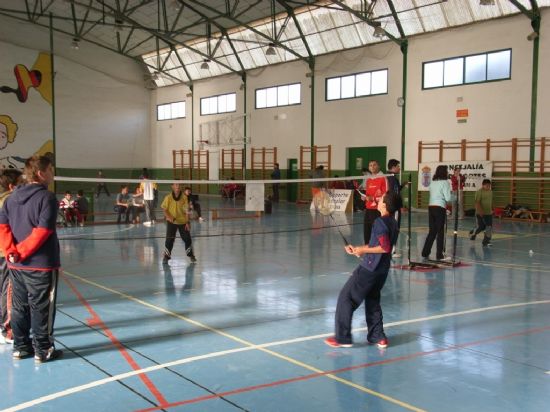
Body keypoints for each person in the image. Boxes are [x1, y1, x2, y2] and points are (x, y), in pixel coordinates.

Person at [0, 155, 62, 362]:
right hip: (41, 266)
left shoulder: (11, 197)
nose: (53, 174)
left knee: (19, 306)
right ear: (40, 173)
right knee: (41, 307)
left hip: (16, 265)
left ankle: (21, 347)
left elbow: (3, 228)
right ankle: (43, 349)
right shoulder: (47, 198)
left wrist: (11, 251)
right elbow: (42, 231)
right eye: (51, 170)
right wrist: (20, 251)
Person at [324, 191, 400, 349]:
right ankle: (378, 336)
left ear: (385, 205)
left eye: (381, 199)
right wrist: (358, 249)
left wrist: (363, 251)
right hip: (382, 271)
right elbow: (377, 245)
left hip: (369, 269)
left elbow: (384, 248)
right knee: (372, 300)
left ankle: (342, 338)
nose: (378, 200)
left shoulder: (380, 222)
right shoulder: (393, 222)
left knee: (346, 298)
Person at [0, 168, 23, 345]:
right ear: (11, 185)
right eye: (20, 184)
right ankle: (7, 329)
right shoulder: (9, 200)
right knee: (9, 290)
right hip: (5, 253)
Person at [421, 165, 452, 261]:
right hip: (439, 208)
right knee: (440, 231)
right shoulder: (445, 182)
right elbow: (448, 198)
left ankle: (425, 252)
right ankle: (440, 255)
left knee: (432, 231)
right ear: (444, 172)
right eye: (446, 171)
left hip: (431, 207)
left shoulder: (433, 182)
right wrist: (454, 196)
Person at [161, 183, 196, 264]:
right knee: (169, 239)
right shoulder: (168, 197)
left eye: (179, 185)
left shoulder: (184, 197)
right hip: (171, 222)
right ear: (172, 186)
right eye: (176, 185)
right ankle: (166, 256)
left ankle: (191, 255)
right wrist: (169, 217)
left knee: (187, 239)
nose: (177, 186)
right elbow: (164, 208)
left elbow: (187, 211)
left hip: (182, 222)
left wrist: (187, 222)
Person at [386, 159, 408, 257]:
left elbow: (396, 189)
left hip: (388, 206)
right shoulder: (392, 178)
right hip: (394, 208)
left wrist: (402, 185)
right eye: (398, 166)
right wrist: (400, 206)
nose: (400, 168)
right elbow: (395, 194)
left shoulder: (389, 177)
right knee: (395, 228)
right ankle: (392, 251)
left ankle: (389, 249)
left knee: (390, 227)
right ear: (393, 167)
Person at [362, 160, 387, 244]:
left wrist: (372, 198)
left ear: (378, 166)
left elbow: (385, 196)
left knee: (378, 231)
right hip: (368, 208)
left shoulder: (383, 178)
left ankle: (378, 248)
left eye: (374, 165)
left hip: (378, 209)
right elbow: (368, 194)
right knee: (367, 230)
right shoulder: (369, 179)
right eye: (370, 165)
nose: (372, 167)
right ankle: (367, 247)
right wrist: (365, 197)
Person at [470, 179, 493, 246]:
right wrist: (480, 211)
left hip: (488, 213)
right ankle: (473, 233)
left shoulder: (490, 192)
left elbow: (491, 201)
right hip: (480, 213)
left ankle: (486, 241)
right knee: (481, 227)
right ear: (483, 185)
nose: (488, 187)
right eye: (487, 186)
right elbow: (477, 203)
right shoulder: (479, 192)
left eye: (489, 186)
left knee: (489, 227)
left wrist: (492, 209)